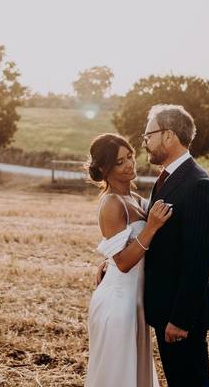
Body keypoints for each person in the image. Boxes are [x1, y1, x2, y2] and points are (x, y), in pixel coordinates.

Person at [96, 105, 209, 387]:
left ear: (168, 136)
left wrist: (180, 319)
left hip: (180, 317)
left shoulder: (197, 184)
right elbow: (158, 242)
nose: (145, 144)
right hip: (160, 309)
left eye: (148, 136)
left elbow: (199, 262)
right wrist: (110, 261)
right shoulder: (166, 179)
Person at [85, 133, 174, 387]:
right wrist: (151, 227)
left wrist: (106, 262)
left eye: (130, 156)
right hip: (118, 306)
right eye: (120, 162)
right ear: (104, 169)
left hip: (136, 304)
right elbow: (123, 263)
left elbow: (119, 253)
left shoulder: (135, 199)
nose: (130, 164)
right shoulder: (112, 204)